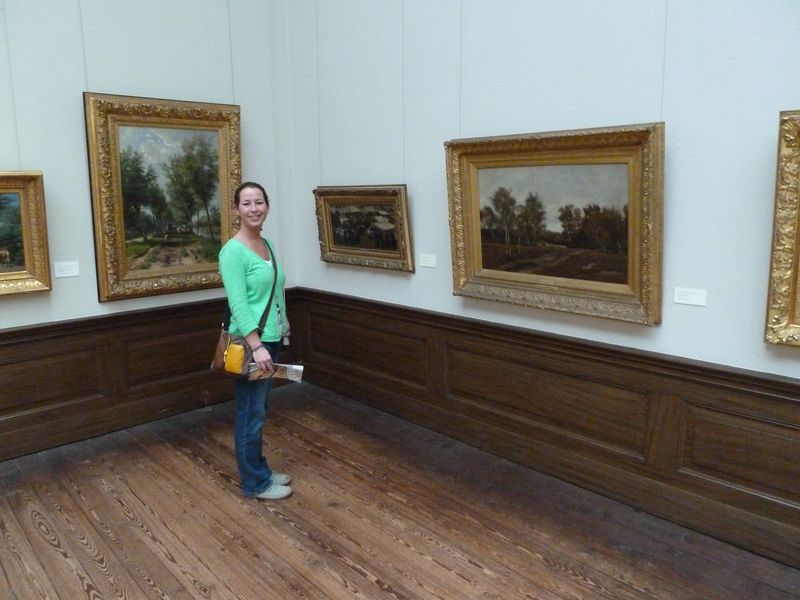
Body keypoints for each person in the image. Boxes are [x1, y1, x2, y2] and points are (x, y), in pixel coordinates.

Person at [219, 181, 292, 500]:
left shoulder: (268, 245)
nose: (254, 209)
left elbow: (274, 292)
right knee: (251, 412)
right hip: (253, 345)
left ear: (267, 206)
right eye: (246, 203)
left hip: (271, 339)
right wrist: (256, 345)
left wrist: (283, 324)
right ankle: (255, 483)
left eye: (259, 202)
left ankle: (259, 469)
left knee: (259, 409)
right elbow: (238, 303)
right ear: (237, 209)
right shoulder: (233, 252)